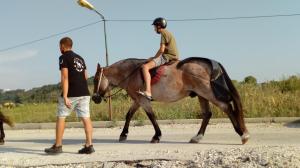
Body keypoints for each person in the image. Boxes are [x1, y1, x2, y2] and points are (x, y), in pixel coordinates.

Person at [45, 37, 94, 154]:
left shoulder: (63, 57)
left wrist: (65, 96)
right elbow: (86, 76)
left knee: (61, 117)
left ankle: (58, 145)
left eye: (59, 46)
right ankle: (89, 145)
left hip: (72, 93)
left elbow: (65, 77)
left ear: (62, 46)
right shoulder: (80, 58)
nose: (59, 48)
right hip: (84, 92)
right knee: (86, 118)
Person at [138, 17, 179, 101]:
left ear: (159, 26)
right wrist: (154, 57)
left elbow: (161, 50)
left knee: (144, 67)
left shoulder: (163, 33)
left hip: (167, 56)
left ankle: (148, 91)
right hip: (173, 55)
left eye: (154, 27)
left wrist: (154, 58)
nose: (154, 29)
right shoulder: (168, 33)